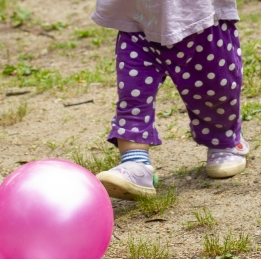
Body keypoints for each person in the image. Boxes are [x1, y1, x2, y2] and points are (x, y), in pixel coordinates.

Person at [92, 0, 249, 200]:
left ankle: (224, 140)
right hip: (136, 22)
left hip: (203, 22)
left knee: (216, 93)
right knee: (132, 96)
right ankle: (135, 162)